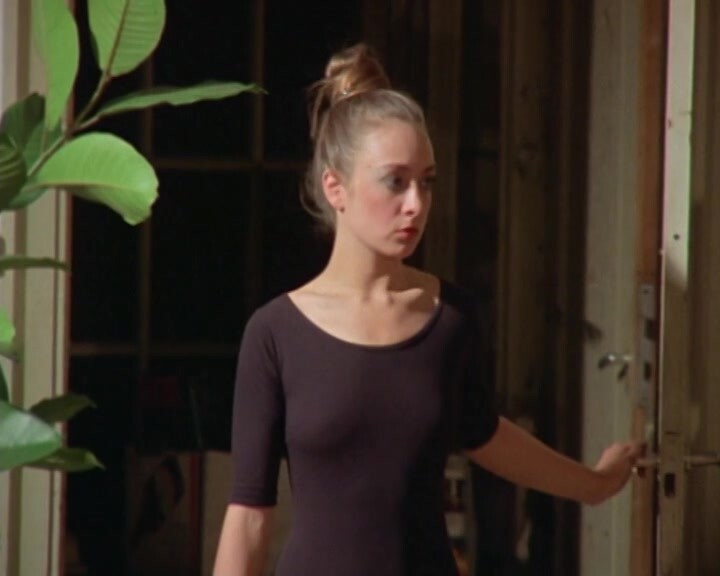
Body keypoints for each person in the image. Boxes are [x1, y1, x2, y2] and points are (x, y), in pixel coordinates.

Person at [213, 43, 642, 576]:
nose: (416, 203)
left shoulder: (450, 318)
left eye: (427, 181)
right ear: (336, 188)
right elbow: (249, 515)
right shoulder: (275, 333)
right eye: (395, 181)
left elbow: (486, 434)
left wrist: (594, 485)